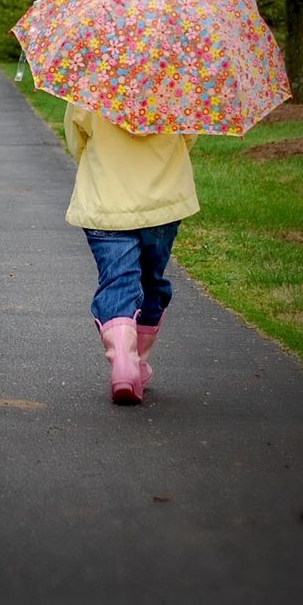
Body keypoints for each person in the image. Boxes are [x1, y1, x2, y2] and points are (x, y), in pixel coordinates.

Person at [63, 101, 200, 404]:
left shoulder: (92, 86)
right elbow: (188, 138)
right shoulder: (178, 85)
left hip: (107, 201)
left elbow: (77, 139)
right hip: (161, 205)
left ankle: (123, 364)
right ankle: (136, 361)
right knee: (152, 280)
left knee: (118, 280)